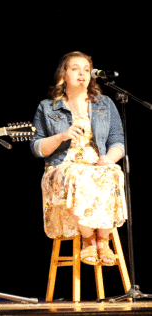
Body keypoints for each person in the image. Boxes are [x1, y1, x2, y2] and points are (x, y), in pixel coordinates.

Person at [30, 51, 127, 266]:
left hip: (97, 163)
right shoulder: (47, 107)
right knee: (78, 174)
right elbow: (37, 147)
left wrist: (109, 158)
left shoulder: (105, 104)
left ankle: (103, 240)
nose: (82, 73)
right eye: (75, 68)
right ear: (63, 74)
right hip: (61, 167)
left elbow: (118, 141)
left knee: (115, 172)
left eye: (86, 69)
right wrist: (61, 136)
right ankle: (88, 239)